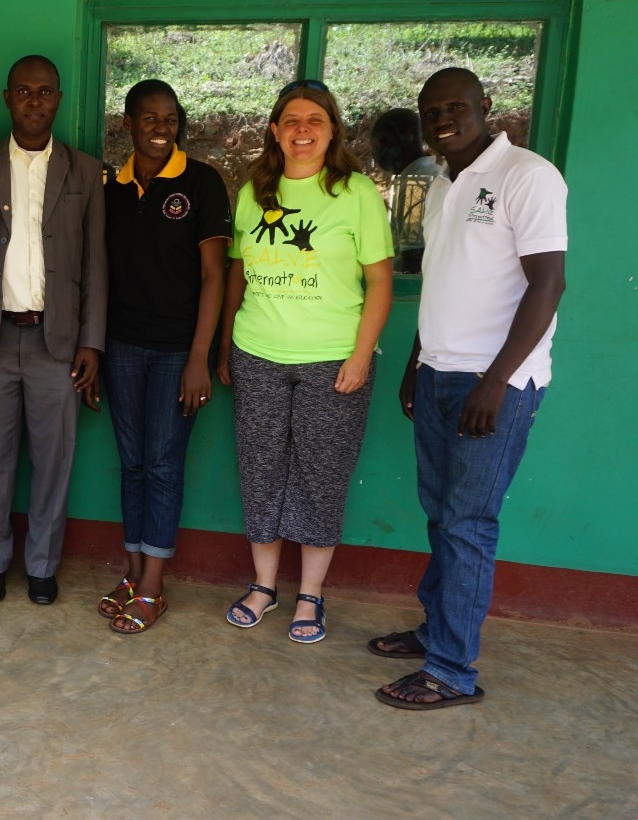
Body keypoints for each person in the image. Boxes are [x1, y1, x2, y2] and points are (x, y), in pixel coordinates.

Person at [371, 68, 566, 709]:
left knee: (468, 523)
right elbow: (445, 284)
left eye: (455, 107)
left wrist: (496, 380)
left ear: (486, 107)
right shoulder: (444, 183)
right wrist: (414, 363)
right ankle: (437, 632)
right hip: (438, 374)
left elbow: (547, 286)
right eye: (430, 111)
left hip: (494, 386)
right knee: (442, 514)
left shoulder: (528, 176)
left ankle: (452, 671)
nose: (442, 119)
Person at [218, 79, 393, 644]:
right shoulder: (254, 191)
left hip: (331, 360)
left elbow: (380, 280)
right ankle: (265, 586)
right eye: (291, 120)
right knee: (260, 470)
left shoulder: (356, 192)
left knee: (320, 476)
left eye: (314, 120)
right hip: (258, 354)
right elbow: (238, 273)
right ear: (275, 130)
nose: (302, 130)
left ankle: (311, 595)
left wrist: (362, 354)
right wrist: (226, 348)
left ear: (332, 130)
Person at [0, 55, 107, 605]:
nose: (34, 101)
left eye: (45, 91)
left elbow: (97, 263)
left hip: (59, 342)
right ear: (6, 98)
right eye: (23, 91)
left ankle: (44, 564)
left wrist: (91, 341)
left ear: (58, 98)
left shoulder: (86, 171)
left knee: (55, 459)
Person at [98, 79, 229, 634]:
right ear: (128, 124)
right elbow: (100, 276)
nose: (160, 128)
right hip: (123, 346)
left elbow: (213, 275)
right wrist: (96, 349)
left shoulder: (201, 182)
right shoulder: (112, 189)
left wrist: (200, 356)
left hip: (179, 351)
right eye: (149, 118)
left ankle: (153, 585)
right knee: (131, 463)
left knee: (163, 464)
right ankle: (131, 573)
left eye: (170, 119)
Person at [370, 108, 443, 273]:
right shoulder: (433, 172)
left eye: (383, 141)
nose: (376, 151)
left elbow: (414, 257)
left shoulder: (415, 185)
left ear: (408, 138)